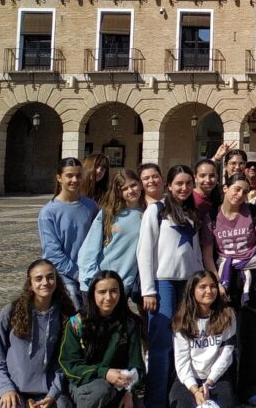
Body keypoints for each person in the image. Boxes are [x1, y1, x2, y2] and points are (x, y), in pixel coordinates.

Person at [200, 172, 256, 406]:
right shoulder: (212, 216)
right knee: (225, 333)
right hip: (224, 276)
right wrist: (215, 282)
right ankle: (226, 385)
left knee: (251, 334)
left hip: (251, 275)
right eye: (236, 189)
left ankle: (249, 388)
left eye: (244, 191)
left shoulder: (252, 213)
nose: (239, 194)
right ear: (225, 188)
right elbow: (207, 251)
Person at [138, 164, 204, 408]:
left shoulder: (190, 213)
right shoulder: (156, 210)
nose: (184, 188)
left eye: (188, 183)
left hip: (187, 284)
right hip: (163, 282)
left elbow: (195, 253)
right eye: (179, 183)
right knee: (161, 342)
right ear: (169, 185)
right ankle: (155, 401)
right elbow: (144, 251)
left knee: (183, 341)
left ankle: (176, 395)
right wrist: (148, 289)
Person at [0, 259, 77, 408]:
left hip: (47, 390)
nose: (45, 282)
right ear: (30, 284)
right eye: (38, 278)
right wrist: (6, 388)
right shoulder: (11, 311)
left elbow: (65, 362)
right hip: (11, 385)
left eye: (50, 277)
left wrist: (53, 394)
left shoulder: (65, 315)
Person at [59, 270, 144, 408]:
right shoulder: (77, 323)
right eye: (102, 292)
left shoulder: (130, 323)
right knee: (101, 390)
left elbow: (136, 365)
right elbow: (69, 366)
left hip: (120, 385)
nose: (109, 297)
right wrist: (104, 373)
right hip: (87, 384)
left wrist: (129, 392)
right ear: (93, 294)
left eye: (114, 291)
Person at [170, 271, 237, 408]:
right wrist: (195, 390)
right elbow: (182, 361)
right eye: (202, 287)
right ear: (192, 291)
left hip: (216, 376)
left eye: (213, 286)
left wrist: (209, 383)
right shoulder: (181, 320)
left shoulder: (228, 315)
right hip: (189, 378)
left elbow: (226, 354)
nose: (209, 291)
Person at [39, 158, 99, 307]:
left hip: (90, 275)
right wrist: (77, 274)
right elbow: (52, 252)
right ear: (59, 178)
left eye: (79, 176)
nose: (75, 180)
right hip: (65, 278)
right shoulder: (48, 212)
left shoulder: (91, 207)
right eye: (69, 175)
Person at [77, 170, 145, 300]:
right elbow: (89, 247)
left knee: (114, 320)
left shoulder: (147, 212)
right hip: (98, 281)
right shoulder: (108, 213)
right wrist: (92, 277)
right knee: (82, 319)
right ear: (118, 192)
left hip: (123, 284)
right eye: (124, 188)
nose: (131, 191)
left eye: (133, 185)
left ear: (140, 184)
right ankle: (66, 321)